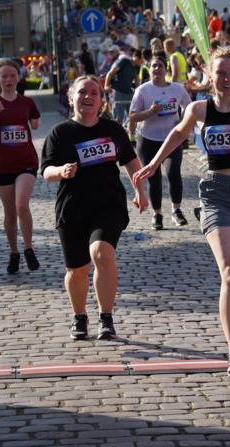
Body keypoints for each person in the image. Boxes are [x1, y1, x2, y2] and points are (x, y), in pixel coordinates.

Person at [134, 48, 230, 378]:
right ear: (210, 77)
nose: (227, 79)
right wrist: (153, 164)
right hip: (217, 193)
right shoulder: (199, 108)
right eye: (220, 73)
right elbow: (177, 134)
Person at [41, 75, 149, 341]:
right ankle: (79, 316)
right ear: (71, 98)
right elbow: (45, 171)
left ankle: (106, 317)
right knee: (77, 270)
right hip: (72, 208)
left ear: (101, 101)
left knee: (101, 254)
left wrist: (140, 191)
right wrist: (61, 171)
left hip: (107, 204)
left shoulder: (112, 130)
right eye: (81, 93)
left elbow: (131, 162)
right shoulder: (60, 133)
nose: (87, 97)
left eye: (93, 93)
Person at [0, 59, 41, 274]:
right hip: (3, 165)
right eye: (4, 76)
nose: (8, 79)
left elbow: (35, 122)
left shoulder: (26, 102)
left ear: (18, 78)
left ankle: (29, 249)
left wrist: (32, 121)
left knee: (22, 205)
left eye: (12, 75)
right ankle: (14, 252)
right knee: (10, 214)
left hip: (27, 162)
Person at [128, 55, 193, 230]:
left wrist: (183, 124)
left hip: (171, 139)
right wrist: (150, 112)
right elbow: (132, 116)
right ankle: (157, 214)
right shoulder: (143, 90)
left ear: (166, 69)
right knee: (153, 178)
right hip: (148, 139)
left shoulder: (177, 90)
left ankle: (176, 210)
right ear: (150, 69)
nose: (157, 69)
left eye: (160, 66)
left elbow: (190, 108)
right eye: (154, 66)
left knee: (173, 173)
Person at [104, 44, 136, 125]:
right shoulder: (121, 60)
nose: (111, 53)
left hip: (129, 92)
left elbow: (136, 78)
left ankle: (130, 136)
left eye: (112, 52)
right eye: (110, 52)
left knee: (132, 118)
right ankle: (118, 136)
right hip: (118, 92)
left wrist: (137, 89)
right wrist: (106, 86)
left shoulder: (128, 61)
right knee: (119, 119)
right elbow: (110, 73)